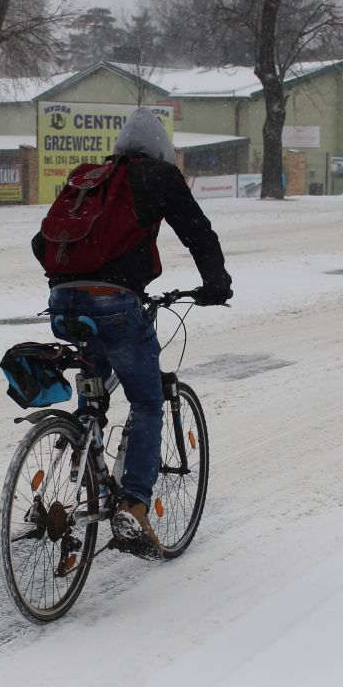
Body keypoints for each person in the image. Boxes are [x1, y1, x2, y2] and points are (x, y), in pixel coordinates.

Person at [33, 107, 233, 556]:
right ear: (162, 152)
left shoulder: (94, 179)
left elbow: (39, 242)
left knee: (95, 382)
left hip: (62, 300)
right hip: (115, 303)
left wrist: (77, 278)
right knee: (146, 400)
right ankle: (135, 505)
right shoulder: (159, 176)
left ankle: (85, 447)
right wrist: (216, 285)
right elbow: (198, 233)